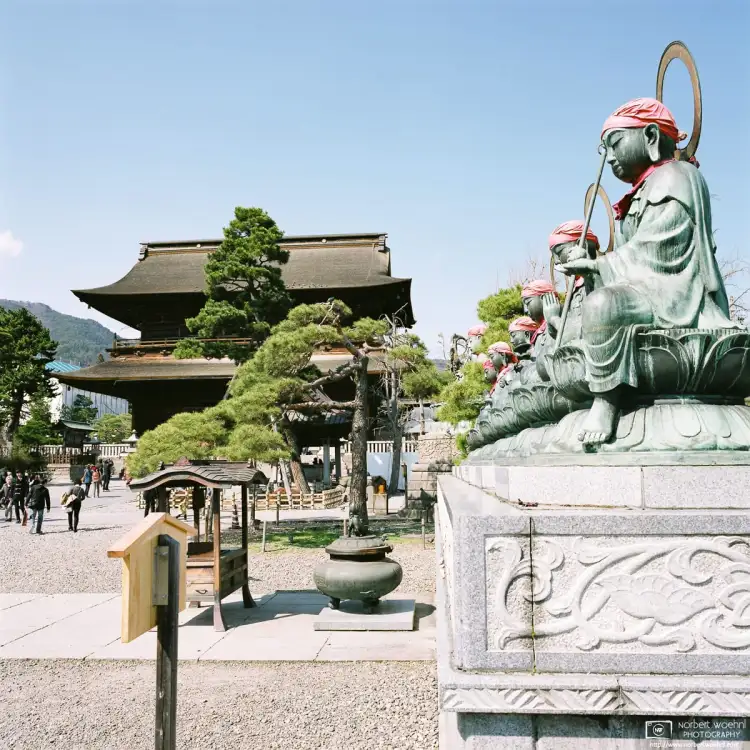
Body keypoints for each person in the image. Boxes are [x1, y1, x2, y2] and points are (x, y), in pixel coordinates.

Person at [559, 97, 739, 446]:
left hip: (676, 291)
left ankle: (606, 399)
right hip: (648, 286)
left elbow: (660, 253)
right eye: (605, 148)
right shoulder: (643, 189)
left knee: (601, 308)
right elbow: (633, 254)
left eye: (616, 143)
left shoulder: (676, 176)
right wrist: (595, 271)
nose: (609, 156)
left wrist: (599, 264)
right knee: (586, 324)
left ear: (652, 137)